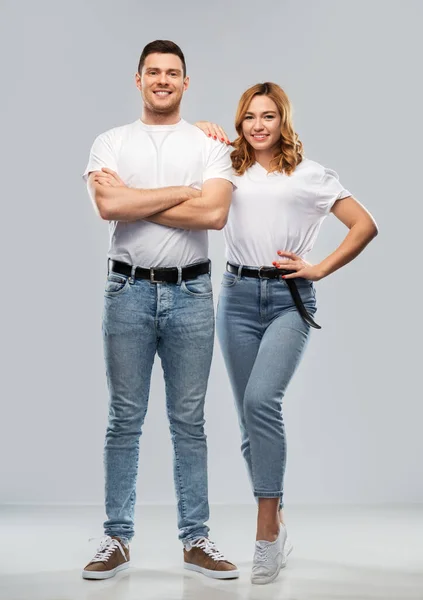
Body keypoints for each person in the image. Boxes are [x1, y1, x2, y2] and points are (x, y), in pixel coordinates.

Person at [193, 82, 378, 585]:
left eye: (268, 116)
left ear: (283, 121)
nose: (258, 125)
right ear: (239, 122)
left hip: (288, 299)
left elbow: (364, 225)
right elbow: (179, 146)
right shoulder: (226, 164)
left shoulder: (311, 174)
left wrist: (319, 269)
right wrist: (201, 128)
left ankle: (266, 532)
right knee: (249, 420)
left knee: (260, 403)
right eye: (249, 116)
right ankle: (276, 517)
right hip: (234, 297)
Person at [81, 40, 239, 581]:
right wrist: (181, 194)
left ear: (186, 83)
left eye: (173, 73)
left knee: (188, 423)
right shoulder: (110, 141)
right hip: (126, 291)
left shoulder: (210, 142)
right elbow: (108, 204)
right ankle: (116, 539)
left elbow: (215, 215)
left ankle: (196, 539)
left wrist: (139, 198)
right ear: (139, 79)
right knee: (124, 419)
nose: (163, 80)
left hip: (192, 294)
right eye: (154, 72)